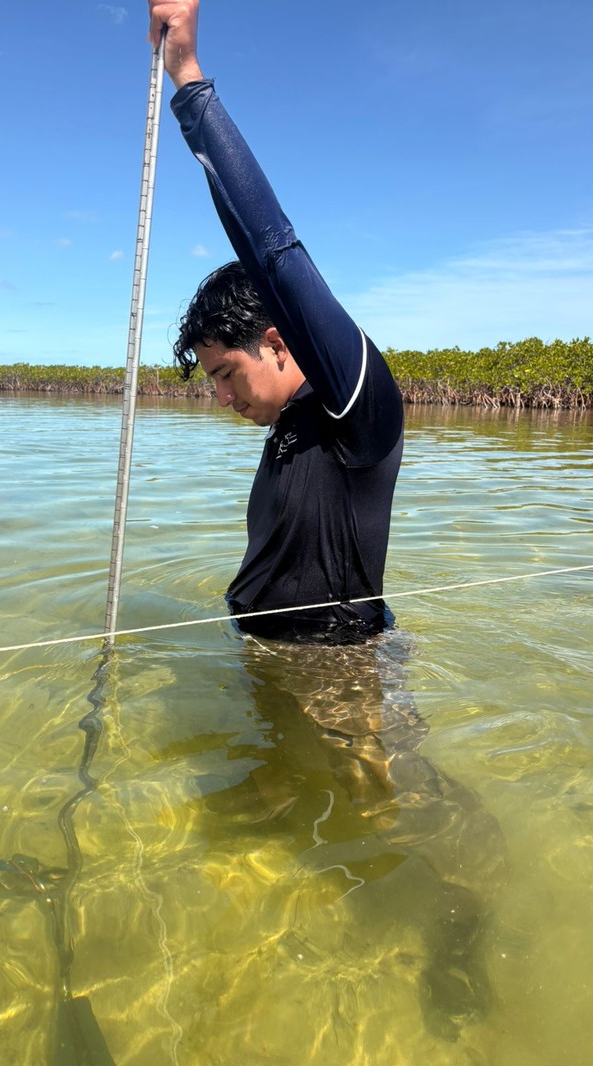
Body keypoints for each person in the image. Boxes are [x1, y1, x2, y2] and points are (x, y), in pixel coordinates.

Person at [147, 1, 404, 642]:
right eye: (212, 381)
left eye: (227, 373)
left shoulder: (351, 404)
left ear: (277, 340)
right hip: (273, 670)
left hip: (339, 680)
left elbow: (274, 251)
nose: (222, 397)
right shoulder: (289, 426)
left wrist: (187, 80)